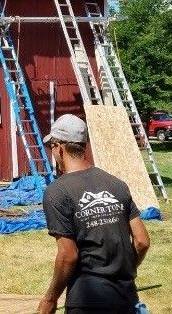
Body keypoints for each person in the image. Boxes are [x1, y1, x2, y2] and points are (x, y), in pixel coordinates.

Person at [37, 114, 150, 314]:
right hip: (126, 297)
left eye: (52, 147)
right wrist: (126, 273)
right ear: (83, 146)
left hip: (87, 301)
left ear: (59, 147)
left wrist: (50, 299)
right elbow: (142, 241)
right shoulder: (116, 184)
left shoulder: (57, 192)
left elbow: (68, 255)